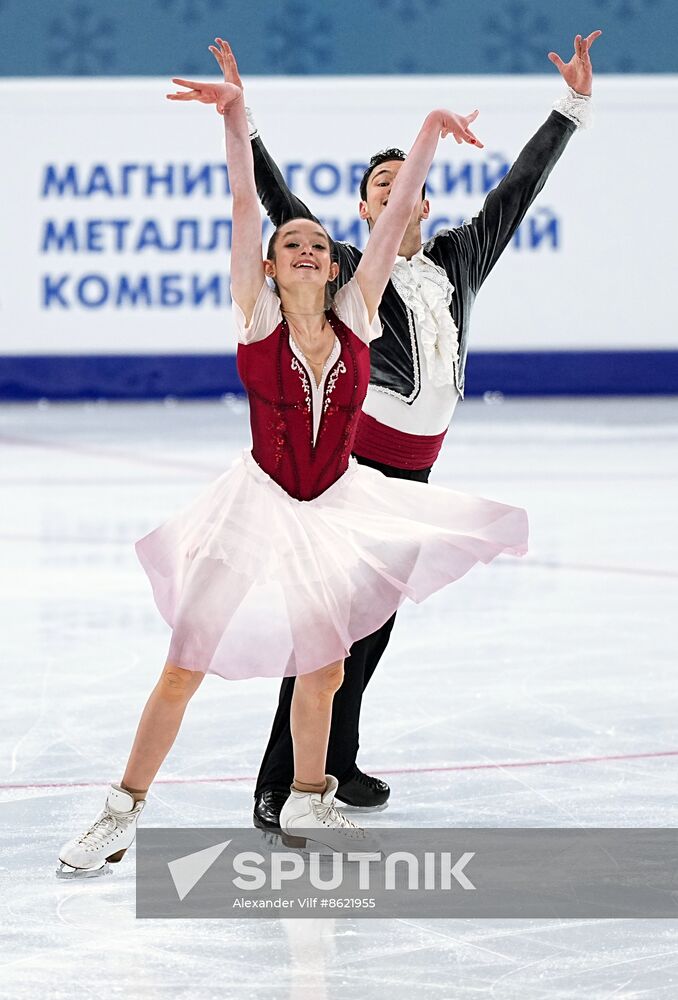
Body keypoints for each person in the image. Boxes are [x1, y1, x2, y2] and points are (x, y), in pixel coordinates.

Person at [56, 42, 527, 877]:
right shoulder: (257, 317)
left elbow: (389, 227)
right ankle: (119, 812)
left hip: (334, 506)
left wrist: (426, 132)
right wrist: (236, 115)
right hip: (255, 502)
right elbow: (247, 200)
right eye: (293, 241)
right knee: (182, 668)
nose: (307, 244)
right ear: (270, 265)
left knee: (327, 666)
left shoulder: (358, 319)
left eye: (318, 240)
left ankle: (309, 797)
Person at [209, 31, 602, 830]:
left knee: (373, 633)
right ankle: (277, 781)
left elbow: (516, 192)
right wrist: (243, 123)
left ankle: (338, 761)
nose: (394, 191)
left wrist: (571, 107)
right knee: (327, 634)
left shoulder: (460, 258)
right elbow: (282, 209)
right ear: (365, 210)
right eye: (378, 185)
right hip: (354, 473)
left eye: (406, 182)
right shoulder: (353, 267)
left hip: (415, 481)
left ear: (424, 198)